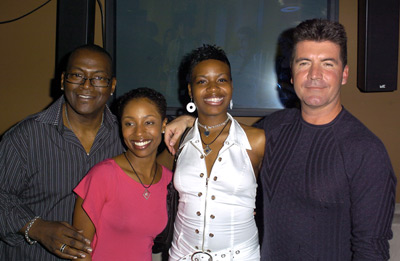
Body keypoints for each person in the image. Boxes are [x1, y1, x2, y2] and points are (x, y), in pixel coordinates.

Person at [165, 19, 396, 260]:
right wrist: (191, 121)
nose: (314, 75)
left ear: (344, 73)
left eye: (327, 64)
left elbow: (372, 249)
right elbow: (226, 132)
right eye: (304, 63)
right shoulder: (273, 129)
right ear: (292, 73)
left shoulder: (366, 151)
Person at [0, 44, 124, 260]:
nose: (86, 85)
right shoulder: (26, 137)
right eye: (77, 75)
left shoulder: (125, 137)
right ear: (62, 80)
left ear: (112, 85)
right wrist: (36, 228)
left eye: (98, 78)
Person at [167, 44, 265, 260]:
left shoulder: (256, 140)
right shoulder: (177, 139)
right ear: (191, 90)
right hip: (181, 255)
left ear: (231, 85)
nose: (213, 89)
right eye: (202, 81)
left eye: (221, 80)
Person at [73, 87, 172, 260]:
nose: (139, 133)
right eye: (129, 123)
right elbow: (79, 251)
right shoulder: (103, 175)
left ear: (163, 125)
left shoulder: (169, 180)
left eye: (148, 122)